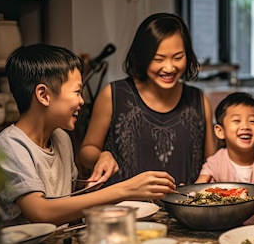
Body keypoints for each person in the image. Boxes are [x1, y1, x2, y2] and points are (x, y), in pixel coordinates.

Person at [0, 43, 176, 226]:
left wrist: (102, 159)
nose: (81, 101)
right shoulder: (11, 147)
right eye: (77, 92)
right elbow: (40, 212)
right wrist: (124, 189)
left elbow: (68, 203)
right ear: (43, 95)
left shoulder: (60, 138)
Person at [80, 13, 216, 187]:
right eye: (158, 59)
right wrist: (101, 156)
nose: (169, 67)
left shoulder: (199, 101)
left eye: (178, 57)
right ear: (142, 57)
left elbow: (212, 163)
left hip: (184, 210)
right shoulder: (113, 95)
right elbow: (85, 151)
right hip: (124, 210)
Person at [195, 92, 254, 206]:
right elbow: (197, 190)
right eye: (236, 121)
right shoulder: (214, 163)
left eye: (252, 121)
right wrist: (188, 192)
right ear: (220, 131)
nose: (245, 126)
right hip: (224, 221)